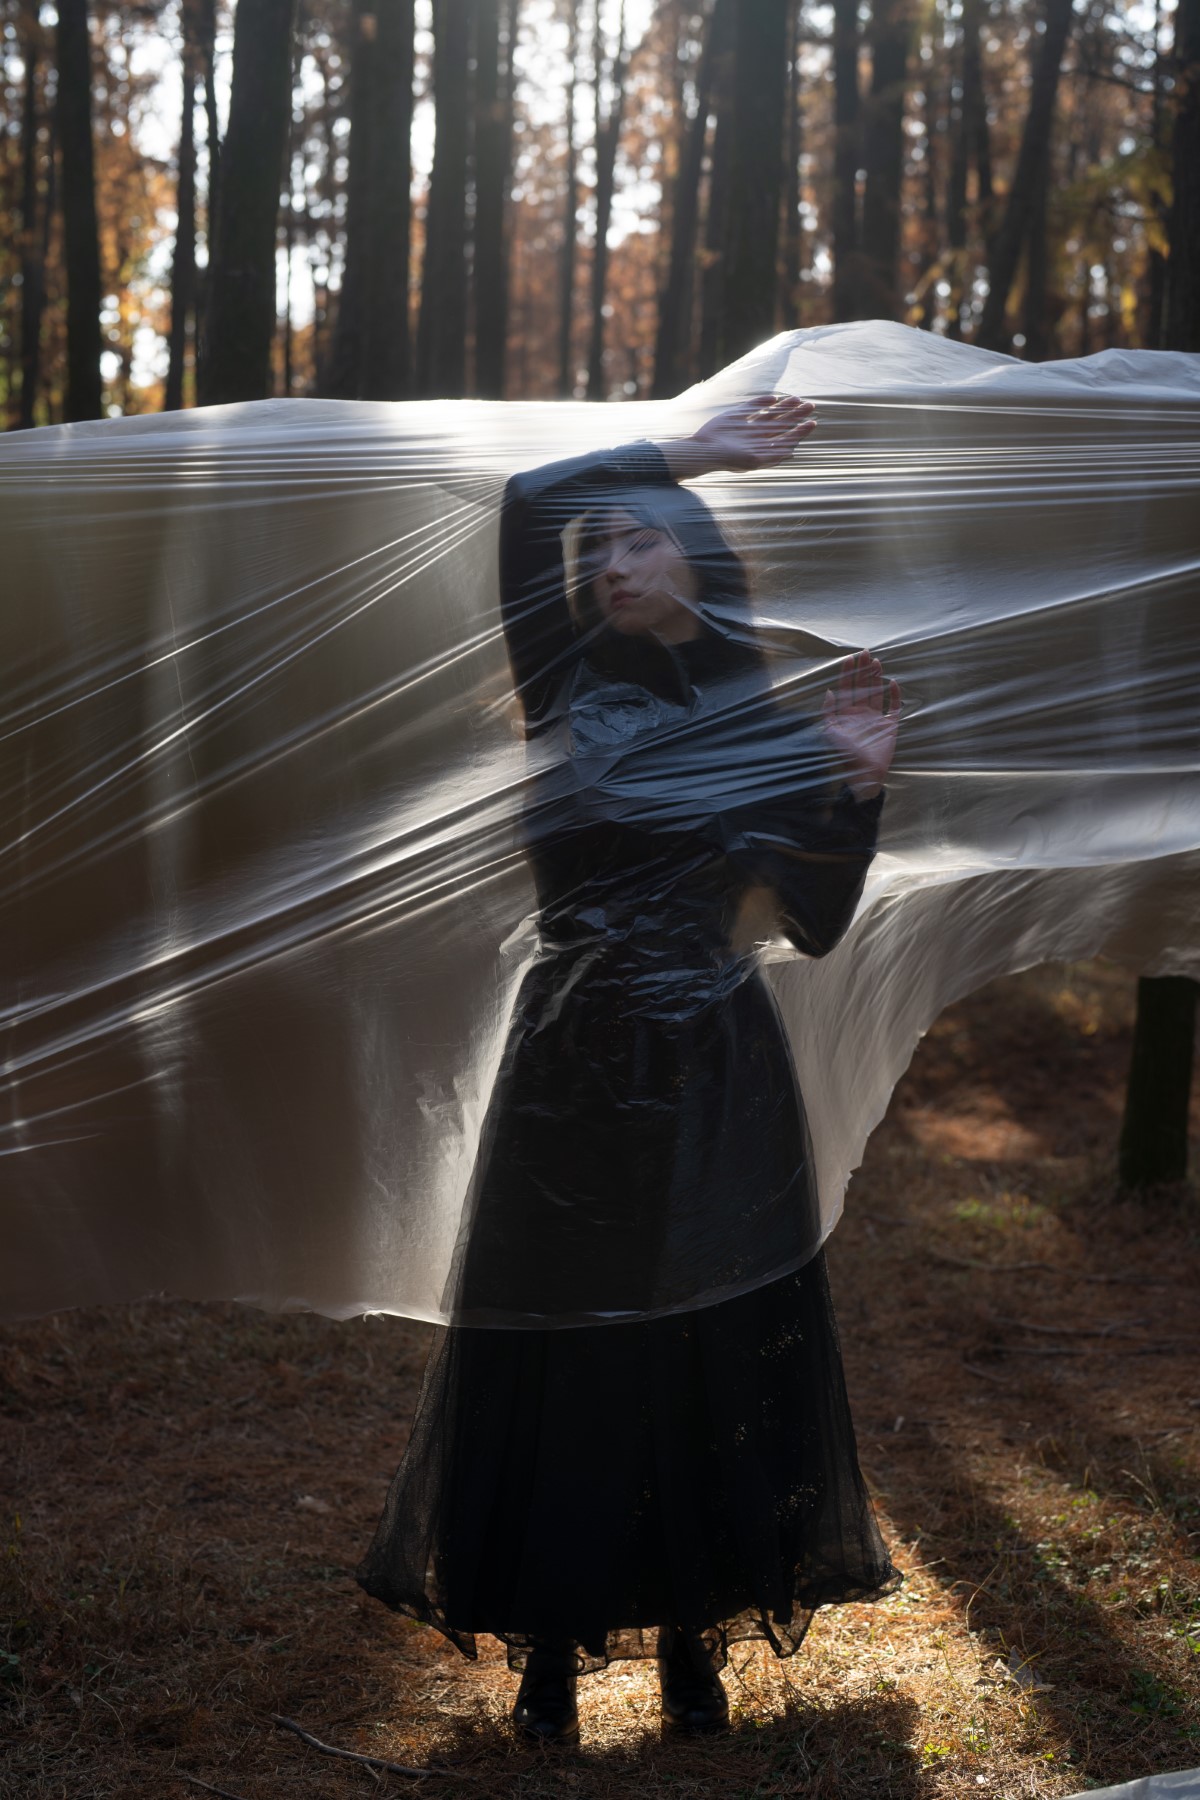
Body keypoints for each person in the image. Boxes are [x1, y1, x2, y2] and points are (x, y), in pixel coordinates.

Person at [357, 395, 902, 1742]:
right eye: (598, 547)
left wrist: (857, 788)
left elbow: (814, 923)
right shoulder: (561, 677)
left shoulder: (762, 720)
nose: (608, 562)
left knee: (705, 1349)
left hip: (715, 1074)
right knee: (562, 1348)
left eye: (638, 540)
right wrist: (686, 452)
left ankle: (693, 1639)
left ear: (693, 559)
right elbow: (527, 504)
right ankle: (548, 1648)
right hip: (573, 1064)